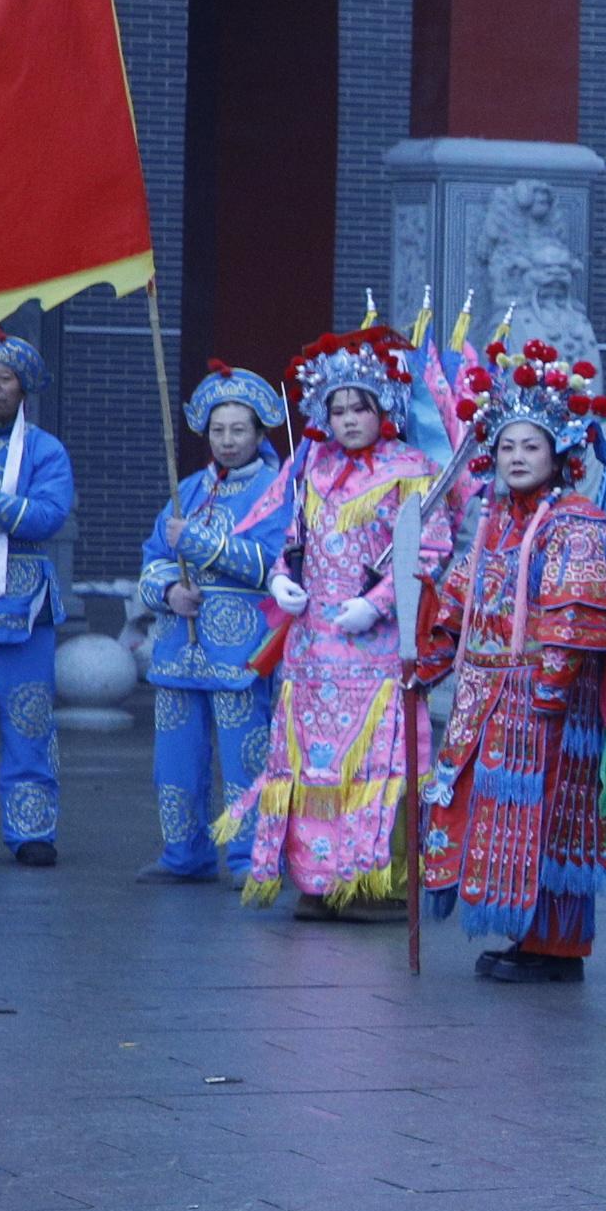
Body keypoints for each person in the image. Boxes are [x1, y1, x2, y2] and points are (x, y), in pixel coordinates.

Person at [417, 338, 606, 982]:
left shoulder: (577, 521)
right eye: (506, 446)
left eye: (531, 446)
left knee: (550, 814)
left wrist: (552, 683)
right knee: (497, 813)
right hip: (488, 691)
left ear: (559, 453)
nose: (516, 457)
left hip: (544, 694)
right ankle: (525, 934)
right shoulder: (494, 520)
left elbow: (574, 608)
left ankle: (556, 947)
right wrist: (427, 659)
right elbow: (459, 598)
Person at [243, 328, 449, 919]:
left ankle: (372, 884)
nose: (350, 419)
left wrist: (378, 603)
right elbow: (294, 539)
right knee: (314, 766)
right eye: (338, 410)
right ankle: (317, 882)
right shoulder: (313, 467)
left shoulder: (410, 469)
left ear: (384, 409)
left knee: (375, 765)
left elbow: (429, 551)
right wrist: (280, 578)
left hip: (377, 649)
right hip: (313, 648)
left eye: (361, 407)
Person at [132, 365, 293, 884]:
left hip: (243, 647)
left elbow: (273, 564)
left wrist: (198, 543)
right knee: (175, 763)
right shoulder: (187, 490)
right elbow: (153, 558)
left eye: (238, 429)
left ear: (259, 433)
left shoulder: (278, 490)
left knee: (246, 759)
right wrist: (168, 592)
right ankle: (184, 854)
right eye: (218, 430)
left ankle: (251, 858)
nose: (227, 440)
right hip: (179, 646)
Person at [0, 332, 77, 866]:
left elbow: (49, 516)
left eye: (5, 379)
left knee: (28, 718)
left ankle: (31, 830)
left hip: (24, 608)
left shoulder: (46, 450)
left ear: (23, 389)